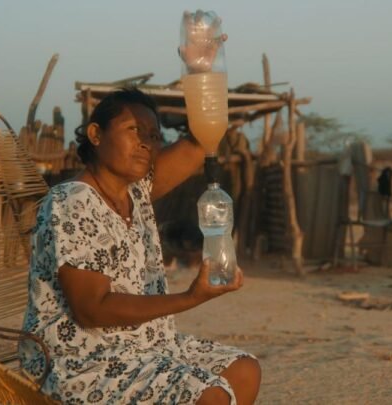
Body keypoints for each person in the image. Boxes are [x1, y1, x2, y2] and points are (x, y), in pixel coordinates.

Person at [18, 88, 261, 404]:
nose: (146, 142)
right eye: (133, 130)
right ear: (95, 134)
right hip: (78, 358)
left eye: (154, 135)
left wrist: (200, 65)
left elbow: (201, 141)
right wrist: (190, 297)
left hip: (143, 345)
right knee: (208, 394)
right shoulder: (71, 202)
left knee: (244, 370)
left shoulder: (135, 192)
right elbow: (92, 310)